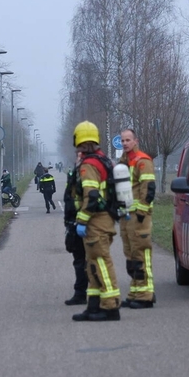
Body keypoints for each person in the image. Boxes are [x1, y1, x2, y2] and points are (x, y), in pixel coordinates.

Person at [70, 121, 121, 321]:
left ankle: (110, 307)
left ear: (78, 139)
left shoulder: (89, 164)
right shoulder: (103, 160)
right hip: (103, 220)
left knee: (100, 264)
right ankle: (93, 306)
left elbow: (90, 196)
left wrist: (82, 220)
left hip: (96, 222)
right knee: (92, 265)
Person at [118, 128, 157, 309]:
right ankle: (135, 291)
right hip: (126, 217)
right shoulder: (122, 162)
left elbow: (148, 189)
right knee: (131, 256)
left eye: (128, 140)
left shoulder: (143, 161)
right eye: (122, 140)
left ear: (136, 141)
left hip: (138, 217)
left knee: (141, 254)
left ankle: (145, 295)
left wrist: (141, 213)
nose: (125, 143)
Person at [62, 150, 89, 306]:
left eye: (82, 155)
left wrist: (83, 219)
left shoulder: (88, 173)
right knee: (78, 259)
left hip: (85, 221)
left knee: (87, 260)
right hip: (73, 221)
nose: (79, 158)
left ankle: (88, 293)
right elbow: (69, 197)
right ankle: (81, 292)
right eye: (78, 155)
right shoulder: (74, 173)